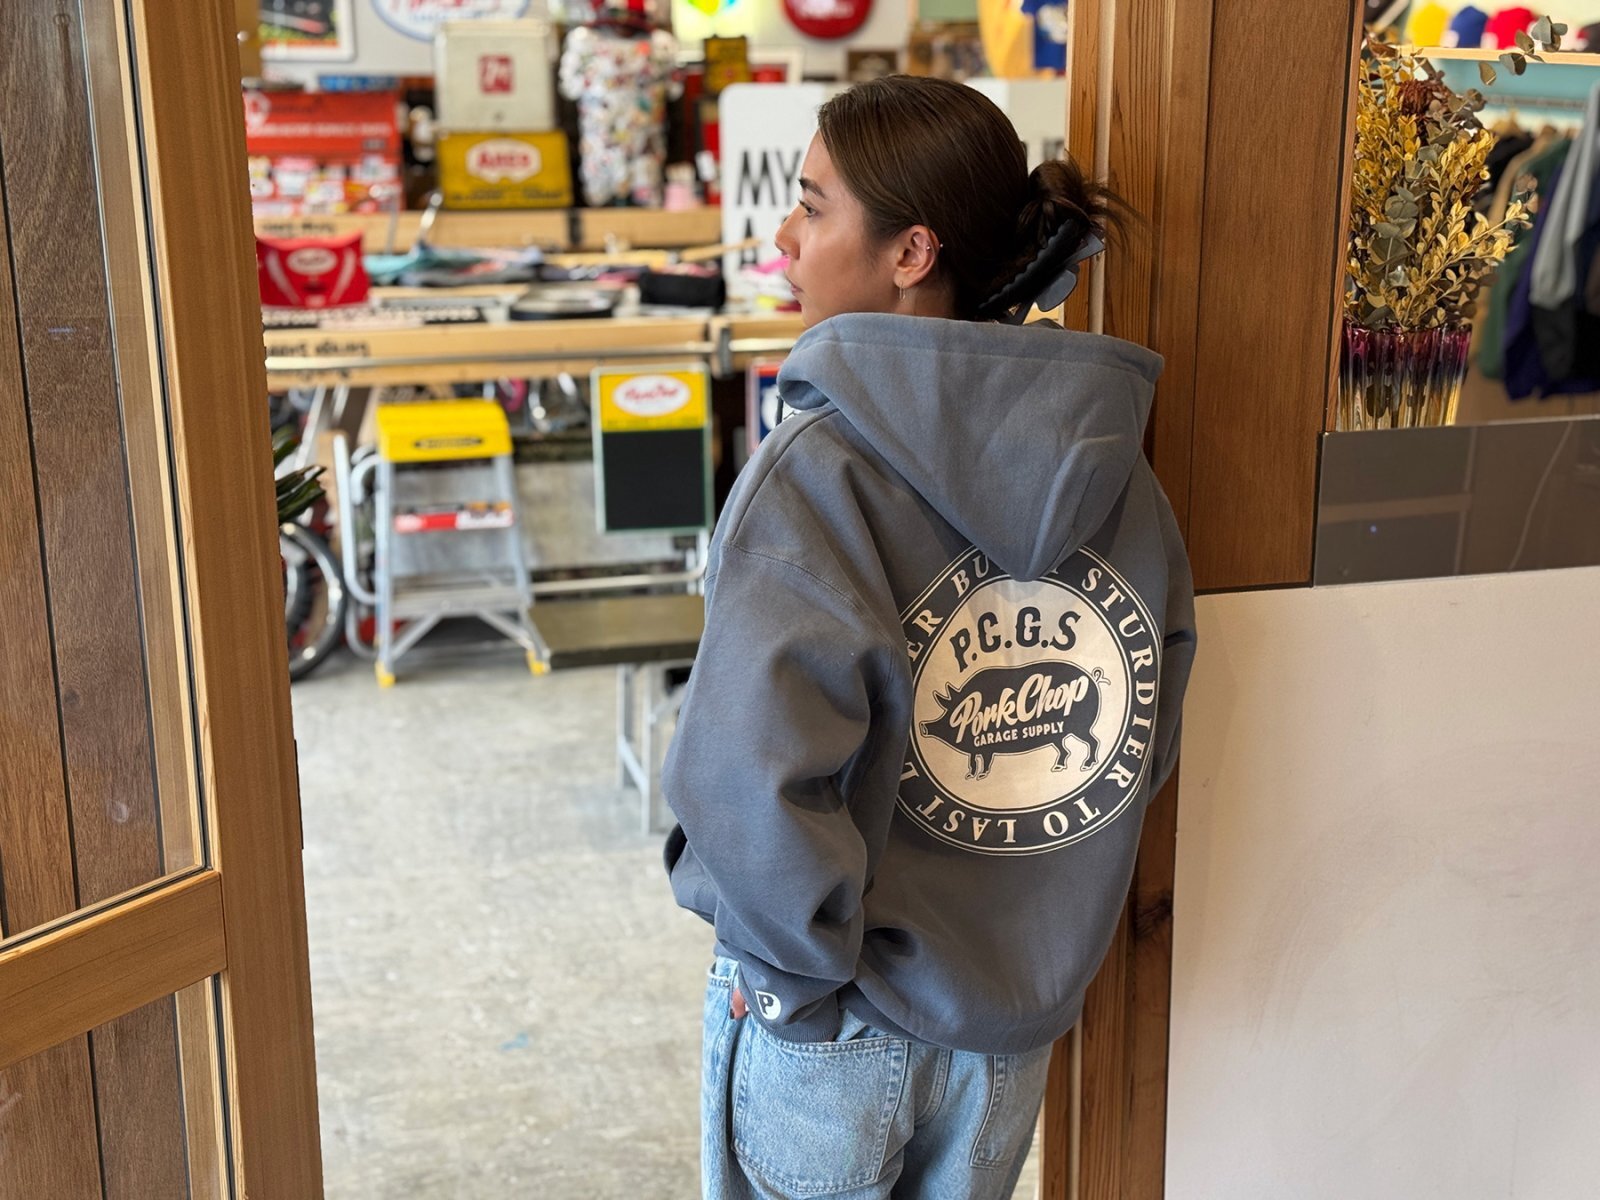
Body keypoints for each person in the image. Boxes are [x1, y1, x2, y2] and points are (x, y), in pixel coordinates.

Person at [662, 75, 1197, 1200]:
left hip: (837, 1021)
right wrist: (1039, 940)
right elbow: (1138, 735)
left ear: (911, 252)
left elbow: (749, 773)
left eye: (813, 206)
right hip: (1007, 1031)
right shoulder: (1121, 478)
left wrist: (794, 984)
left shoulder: (819, 474)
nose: (784, 235)